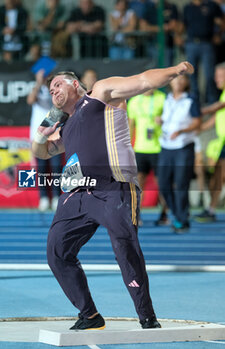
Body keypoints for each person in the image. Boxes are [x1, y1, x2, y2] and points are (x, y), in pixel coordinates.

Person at [32, 61, 194, 330]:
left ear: (75, 84)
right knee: (57, 252)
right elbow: (42, 152)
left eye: (57, 85)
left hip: (113, 188)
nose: (53, 92)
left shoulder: (101, 93)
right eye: (50, 91)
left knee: (125, 249)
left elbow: (143, 81)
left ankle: (147, 316)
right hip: (77, 194)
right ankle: (90, 315)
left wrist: (174, 70)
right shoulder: (67, 125)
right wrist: (41, 133)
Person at [157, 75, 201, 233]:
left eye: (183, 79)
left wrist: (182, 130)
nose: (179, 82)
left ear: (187, 82)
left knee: (181, 185)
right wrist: (160, 121)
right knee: (163, 184)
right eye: (176, 79)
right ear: (171, 82)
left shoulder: (191, 99)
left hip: (183, 146)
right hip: (165, 146)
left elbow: (197, 122)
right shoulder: (166, 98)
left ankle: (182, 220)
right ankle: (179, 214)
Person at [127, 89, 169, 225]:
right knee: (138, 184)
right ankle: (136, 215)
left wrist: (163, 121)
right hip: (140, 149)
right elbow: (131, 125)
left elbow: (171, 120)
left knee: (162, 183)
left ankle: (164, 214)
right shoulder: (134, 101)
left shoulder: (162, 98)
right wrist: (127, 148)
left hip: (159, 148)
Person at [195, 62, 225, 222]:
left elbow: (217, 108)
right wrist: (199, 128)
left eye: (220, 76)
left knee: (219, 175)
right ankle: (211, 209)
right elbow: (217, 117)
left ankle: (211, 209)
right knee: (218, 176)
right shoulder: (223, 93)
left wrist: (195, 110)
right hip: (223, 142)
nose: (216, 79)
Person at [28, 69, 61, 211]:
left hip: (54, 135)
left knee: (55, 167)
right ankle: (43, 198)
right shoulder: (36, 89)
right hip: (37, 136)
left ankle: (56, 197)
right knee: (41, 169)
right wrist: (37, 83)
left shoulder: (56, 91)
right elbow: (30, 100)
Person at [182, 0, 224, 103]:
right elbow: (182, 26)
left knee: (210, 75)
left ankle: (212, 102)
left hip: (207, 43)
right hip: (191, 43)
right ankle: (194, 103)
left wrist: (219, 34)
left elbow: (221, 22)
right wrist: (178, 36)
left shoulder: (211, 5)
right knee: (192, 75)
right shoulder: (188, 7)